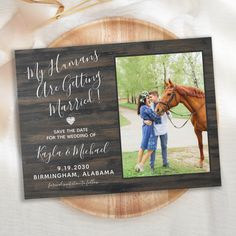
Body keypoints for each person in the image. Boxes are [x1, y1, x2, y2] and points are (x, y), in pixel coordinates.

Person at [135, 91, 162, 172]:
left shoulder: (142, 108)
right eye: (147, 98)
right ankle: (141, 165)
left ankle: (137, 165)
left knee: (143, 147)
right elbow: (156, 118)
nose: (149, 99)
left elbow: (148, 117)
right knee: (151, 148)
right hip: (149, 130)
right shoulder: (146, 108)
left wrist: (145, 120)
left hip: (145, 128)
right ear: (143, 100)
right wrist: (159, 113)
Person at [145, 90, 169, 170]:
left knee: (164, 146)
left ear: (156, 96)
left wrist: (168, 112)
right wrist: (145, 121)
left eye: (151, 97)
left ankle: (165, 163)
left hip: (163, 129)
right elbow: (145, 117)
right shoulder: (149, 106)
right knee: (152, 148)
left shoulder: (163, 104)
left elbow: (170, 117)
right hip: (153, 130)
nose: (150, 98)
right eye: (149, 97)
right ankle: (152, 166)